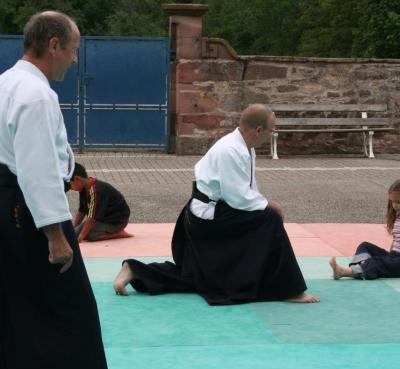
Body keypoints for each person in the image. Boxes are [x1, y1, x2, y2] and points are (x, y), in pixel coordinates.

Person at [0, 11, 113, 369]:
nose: (75, 59)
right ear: (54, 45)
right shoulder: (35, 95)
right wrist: (55, 234)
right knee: (71, 314)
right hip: (30, 213)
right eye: (74, 49)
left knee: (18, 309)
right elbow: (37, 168)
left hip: (9, 208)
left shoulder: (6, 83)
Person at [113, 104, 320, 305]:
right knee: (270, 220)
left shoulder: (246, 148)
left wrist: (263, 203)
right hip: (208, 217)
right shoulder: (230, 150)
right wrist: (269, 205)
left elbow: (249, 189)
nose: (272, 134)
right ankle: (290, 288)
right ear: (258, 130)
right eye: (272, 130)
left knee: (200, 278)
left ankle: (134, 269)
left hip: (218, 210)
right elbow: (236, 196)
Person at [330, 179, 400, 280]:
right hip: (394, 256)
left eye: (398, 202)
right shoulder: (397, 217)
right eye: (393, 201)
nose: (395, 205)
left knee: (377, 262)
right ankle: (358, 269)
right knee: (365, 246)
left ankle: (346, 272)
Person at [70, 162, 132, 242]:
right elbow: (81, 210)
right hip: (102, 219)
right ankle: (101, 230)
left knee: (90, 235)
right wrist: (75, 227)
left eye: (70, 185)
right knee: (75, 233)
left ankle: (118, 233)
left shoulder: (96, 191)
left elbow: (91, 217)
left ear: (77, 179)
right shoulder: (83, 188)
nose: (70, 188)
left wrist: (80, 237)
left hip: (117, 221)